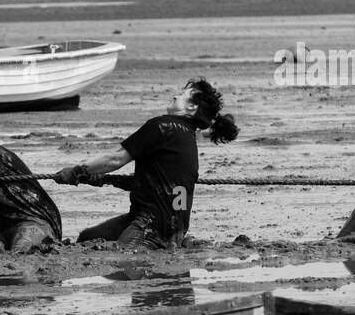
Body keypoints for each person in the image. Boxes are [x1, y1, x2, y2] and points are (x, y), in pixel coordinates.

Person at [54, 78, 239, 248]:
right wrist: (103, 179)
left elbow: (115, 159)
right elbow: (163, 186)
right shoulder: (189, 138)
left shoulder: (162, 126)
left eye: (183, 94)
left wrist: (76, 171)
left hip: (149, 224)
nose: (175, 95)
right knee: (88, 238)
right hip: (178, 227)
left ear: (192, 107)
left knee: (122, 261)